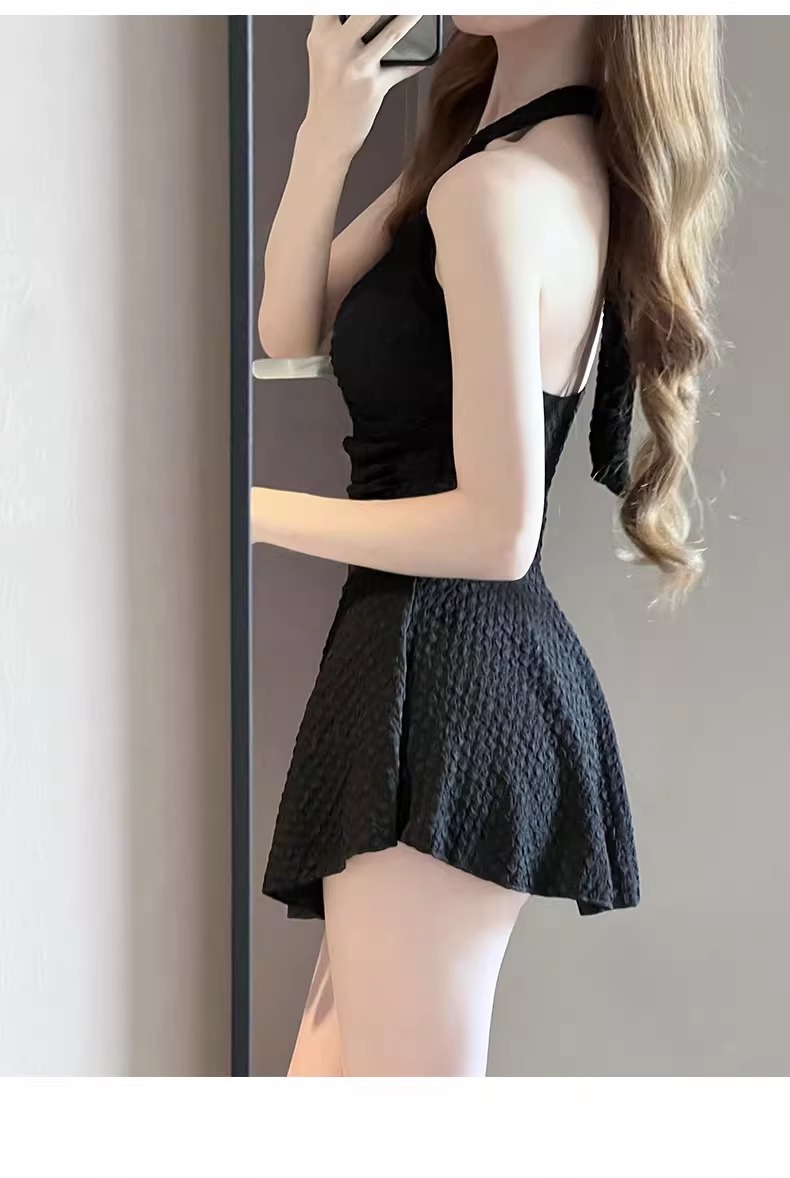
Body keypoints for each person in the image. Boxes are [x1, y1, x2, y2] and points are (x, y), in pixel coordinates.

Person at [252, 15, 731, 1076]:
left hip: (444, 683)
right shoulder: (489, 160)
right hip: (431, 669)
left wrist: (241, 512)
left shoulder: (496, 190)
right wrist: (329, 132)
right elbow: (288, 332)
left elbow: (495, 529)